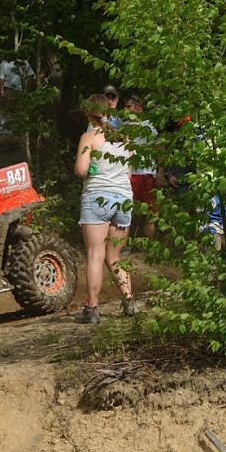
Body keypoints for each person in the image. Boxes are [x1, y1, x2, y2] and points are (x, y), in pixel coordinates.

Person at [73, 93, 137, 324]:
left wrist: (92, 169)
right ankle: (129, 302)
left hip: (97, 197)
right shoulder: (124, 138)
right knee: (115, 256)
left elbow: (81, 170)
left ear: (88, 114)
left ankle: (91, 309)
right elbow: (128, 174)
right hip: (123, 199)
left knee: (95, 255)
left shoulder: (89, 137)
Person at [124, 94, 158, 241]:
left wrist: (160, 171)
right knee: (125, 212)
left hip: (148, 174)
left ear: (138, 107)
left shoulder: (149, 126)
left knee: (151, 213)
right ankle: (123, 245)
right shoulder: (124, 126)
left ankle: (150, 245)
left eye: (128, 106)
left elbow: (159, 148)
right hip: (130, 174)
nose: (126, 109)